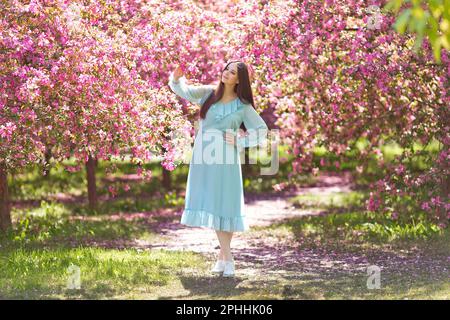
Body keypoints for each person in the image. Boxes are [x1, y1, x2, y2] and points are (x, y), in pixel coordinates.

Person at [168, 60, 268, 277]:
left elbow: (261, 129)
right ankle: (226, 257)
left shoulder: (243, 106)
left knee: (226, 205)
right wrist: (176, 78)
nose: (226, 74)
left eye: (232, 72)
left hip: (227, 159)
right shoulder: (207, 94)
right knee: (214, 202)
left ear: (239, 79)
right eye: (226, 69)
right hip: (204, 158)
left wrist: (240, 141)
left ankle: (226, 257)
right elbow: (182, 90)